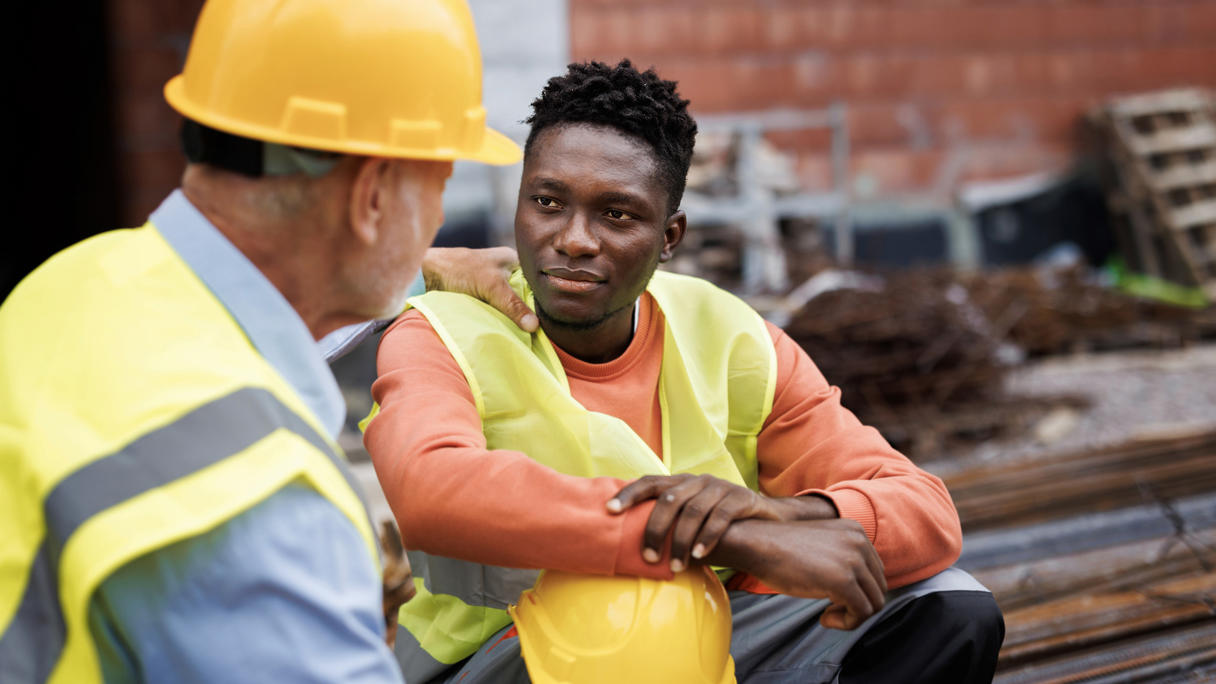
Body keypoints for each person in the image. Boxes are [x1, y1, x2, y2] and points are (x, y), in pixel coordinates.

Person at [364, 60, 1005, 683]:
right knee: (645, 608)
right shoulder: (444, 331)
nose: (574, 239)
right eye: (548, 202)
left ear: (670, 237)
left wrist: (774, 516)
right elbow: (432, 490)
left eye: (616, 214)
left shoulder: (728, 335)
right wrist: (717, 539)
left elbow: (924, 509)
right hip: (493, 659)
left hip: (695, 640)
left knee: (947, 605)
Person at [0, 0, 536, 681]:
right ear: (372, 194)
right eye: (440, 185)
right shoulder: (266, 503)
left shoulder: (73, 278)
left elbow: (243, 323)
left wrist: (422, 268)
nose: (436, 220)